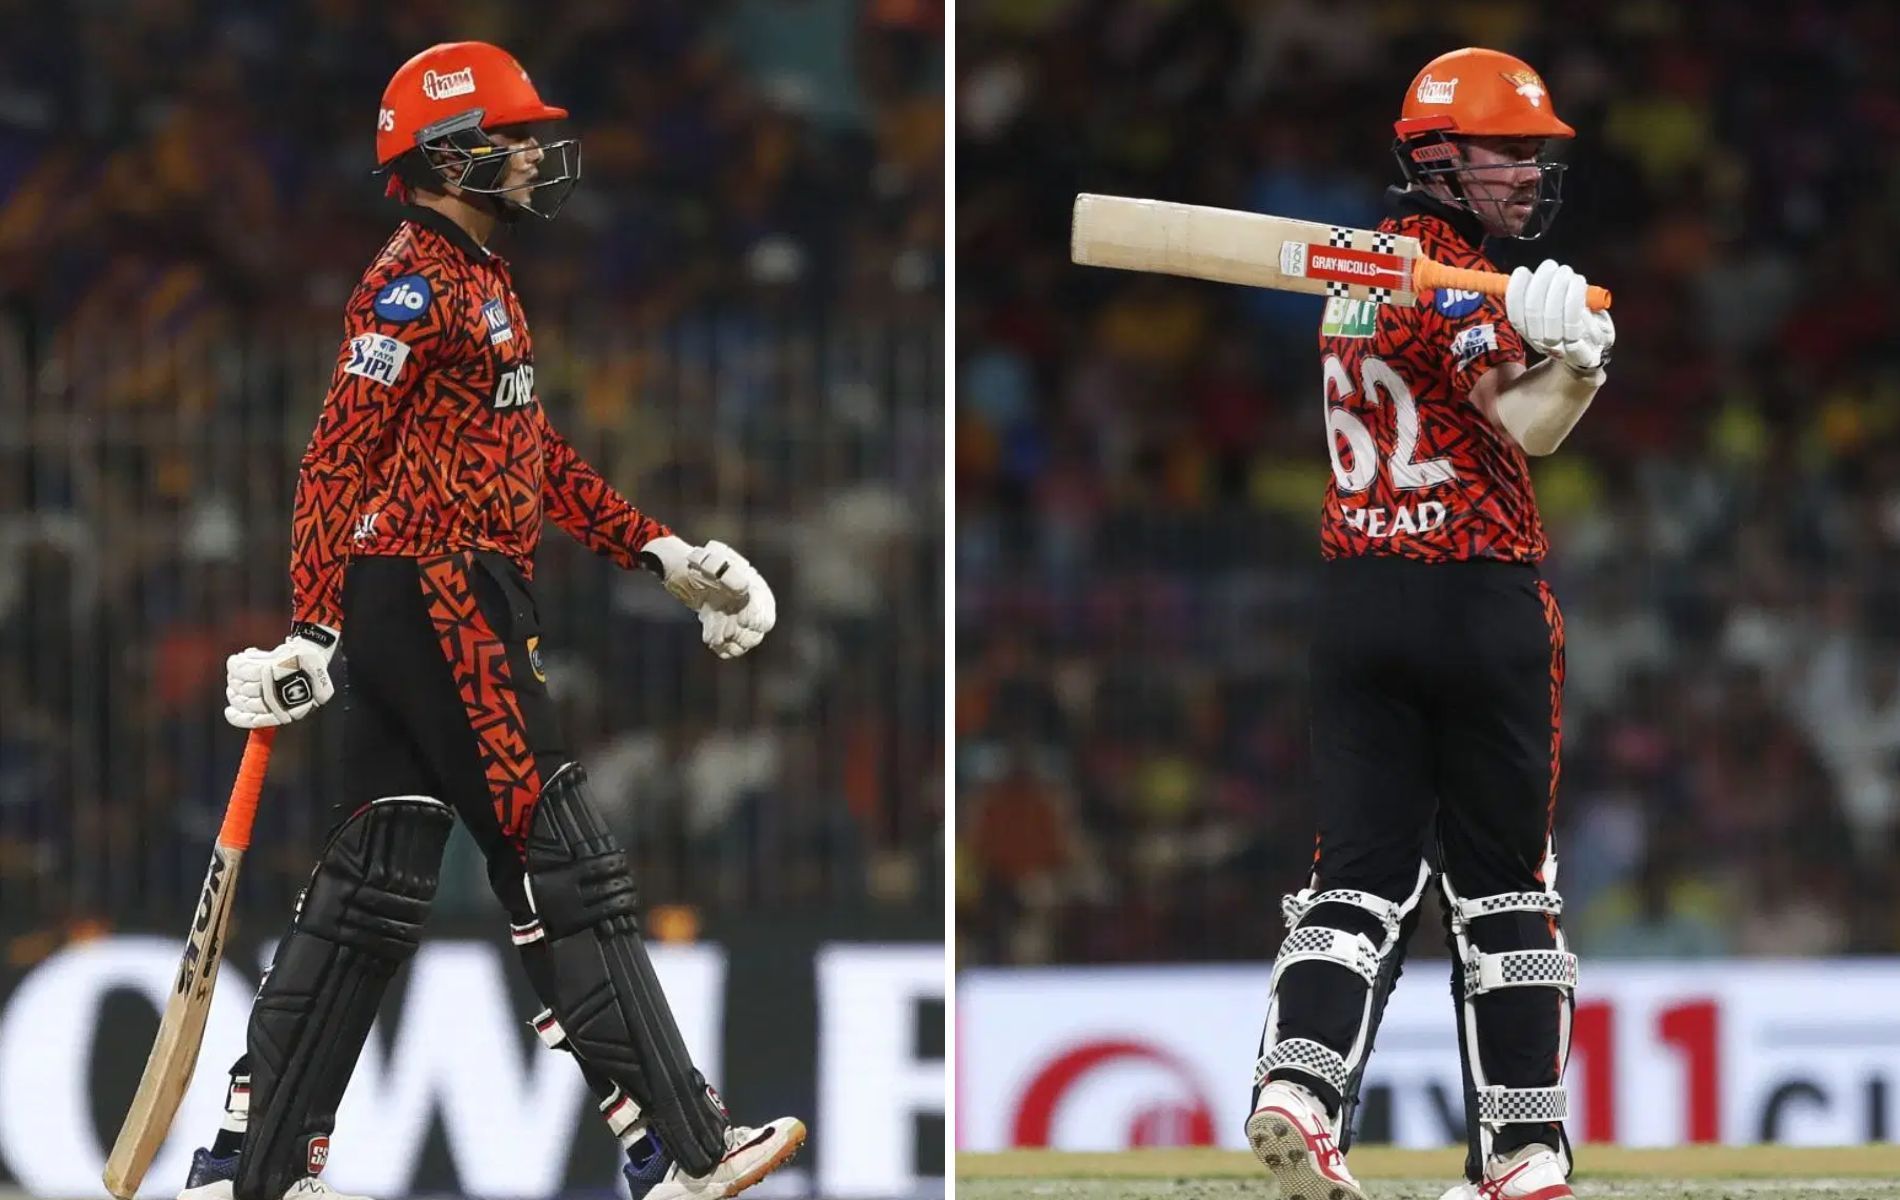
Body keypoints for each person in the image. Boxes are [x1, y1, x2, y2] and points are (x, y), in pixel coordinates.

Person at [175, 41, 804, 1200]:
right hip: (436, 591)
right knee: (560, 857)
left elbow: (529, 457)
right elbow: (332, 459)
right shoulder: (413, 282)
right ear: (446, 155)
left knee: (375, 877)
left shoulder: (478, 279)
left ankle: (247, 1173)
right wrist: (312, 630)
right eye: (507, 138)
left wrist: (657, 550)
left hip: (434, 589)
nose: (529, 155)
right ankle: (682, 1148)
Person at [1244, 47, 1614, 1200]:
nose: (1526, 175)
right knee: (1505, 887)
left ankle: (1297, 1091)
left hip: (1355, 597)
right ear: (1441, 158)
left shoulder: (1358, 272)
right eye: (1509, 152)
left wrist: (1547, 342)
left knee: (1353, 875)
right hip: (1477, 593)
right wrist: (1579, 362)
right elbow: (1528, 425)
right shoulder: (1453, 274)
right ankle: (1521, 1152)